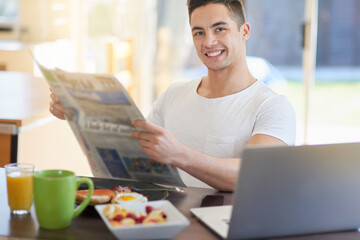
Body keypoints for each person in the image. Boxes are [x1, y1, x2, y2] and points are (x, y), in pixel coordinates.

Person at [49, 0, 296, 191]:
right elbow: (128, 171)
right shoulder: (173, 95)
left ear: (244, 31)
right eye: (198, 32)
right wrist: (79, 115)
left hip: (228, 226)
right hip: (166, 219)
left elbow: (255, 176)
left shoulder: (272, 107)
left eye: (219, 29)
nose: (209, 41)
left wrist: (179, 155)